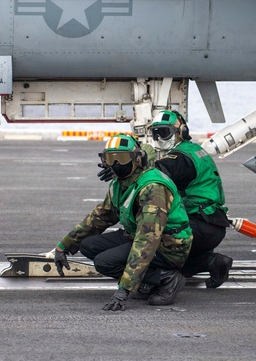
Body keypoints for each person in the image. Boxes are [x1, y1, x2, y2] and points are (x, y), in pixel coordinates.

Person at [53, 134, 193, 311]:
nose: (117, 164)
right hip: (138, 235)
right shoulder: (121, 183)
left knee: (105, 262)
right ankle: (148, 279)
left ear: (137, 159)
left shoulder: (153, 188)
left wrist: (124, 289)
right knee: (88, 245)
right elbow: (99, 217)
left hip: (169, 246)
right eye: (111, 159)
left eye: (122, 158)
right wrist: (64, 246)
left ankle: (167, 278)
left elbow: (147, 241)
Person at [148, 110, 233, 290]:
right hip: (211, 223)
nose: (160, 138)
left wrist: (129, 166)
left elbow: (160, 170)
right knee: (183, 268)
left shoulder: (181, 157)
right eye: (156, 134)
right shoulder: (195, 150)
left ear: (182, 132)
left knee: (150, 240)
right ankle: (212, 262)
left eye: (164, 133)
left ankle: (154, 283)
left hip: (199, 225)